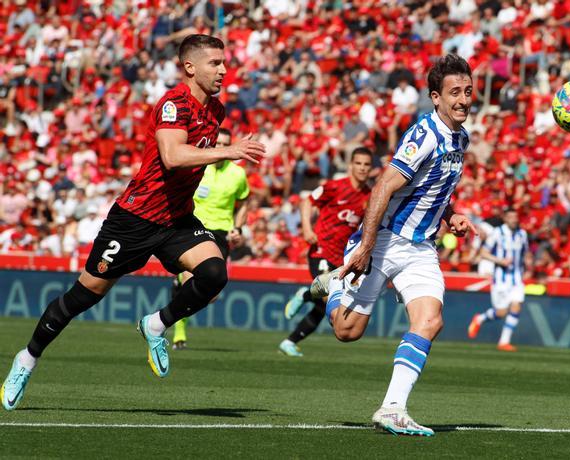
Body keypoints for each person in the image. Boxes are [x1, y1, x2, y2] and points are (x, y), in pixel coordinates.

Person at [1, 34, 266, 411]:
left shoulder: (216, 111)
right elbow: (172, 157)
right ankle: (26, 359)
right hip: (135, 219)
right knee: (83, 296)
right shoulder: (174, 104)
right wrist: (232, 149)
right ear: (190, 67)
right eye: (215, 63)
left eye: (224, 62)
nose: (224, 70)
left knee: (214, 274)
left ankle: (156, 324)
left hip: (176, 219)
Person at [307, 55, 477, 436]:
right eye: (455, 92)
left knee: (430, 321)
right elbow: (384, 186)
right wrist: (366, 246)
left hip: (421, 249)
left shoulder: (460, 137)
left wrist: (452, 217)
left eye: (468, 91)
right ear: (435, 97)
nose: (464, 99)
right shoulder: (424, 135)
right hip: (384, 241)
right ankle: (335, 286)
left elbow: (432, 190)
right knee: (347, 332)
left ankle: (393, 407)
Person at [279, 147, 373, 357]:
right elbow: (307, 202)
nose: (362, 168)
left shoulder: (369, 197)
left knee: (324, 307)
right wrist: (306, 228)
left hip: (342, 258)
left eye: (367, 164)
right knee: (329, 294)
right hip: (320, 250)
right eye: (358, 163)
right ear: (351, 165)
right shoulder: (334, 187)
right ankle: (305, 293)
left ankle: (289, 341)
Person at [170, 127, 250, 350]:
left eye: (226, 144)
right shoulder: (197, 166)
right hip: (192, 228)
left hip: (220, 233)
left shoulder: (238, 174)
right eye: (219, 144)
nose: (222, 148)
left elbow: (243, 203)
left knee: (211, 295)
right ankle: (179, 331)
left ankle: (177, 283)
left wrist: (239, 227)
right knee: (190, 281)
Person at [467, 208, 529, 351]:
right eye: (511, 217)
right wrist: (499, 261)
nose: (514, 219)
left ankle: (504, 342)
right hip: (501, 279)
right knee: (501, 312)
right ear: (505, 219)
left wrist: (528, 266)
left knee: (516, 306)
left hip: (517, 278)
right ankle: (480, 318)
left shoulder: (522, 234)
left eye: (515, 217)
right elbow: (483, 253)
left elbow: (525, 254)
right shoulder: (497, 233)